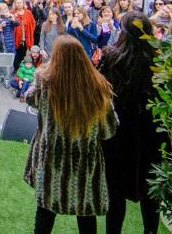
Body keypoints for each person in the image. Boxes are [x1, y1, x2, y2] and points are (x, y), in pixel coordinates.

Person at [24, 35, 118, 234]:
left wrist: (42, 72)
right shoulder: (99, 87)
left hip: (51, 161)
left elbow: (29, 99)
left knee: (44, 214)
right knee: (85, 214)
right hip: (85, 163)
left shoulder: (44, 83)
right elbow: (109, 130)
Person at [99, 12, 168, 234]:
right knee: (150, 193)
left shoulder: (111, 57)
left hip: (118, 134)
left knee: (116, 194)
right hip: (153, 135)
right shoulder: (160, 60)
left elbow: (99, 94)